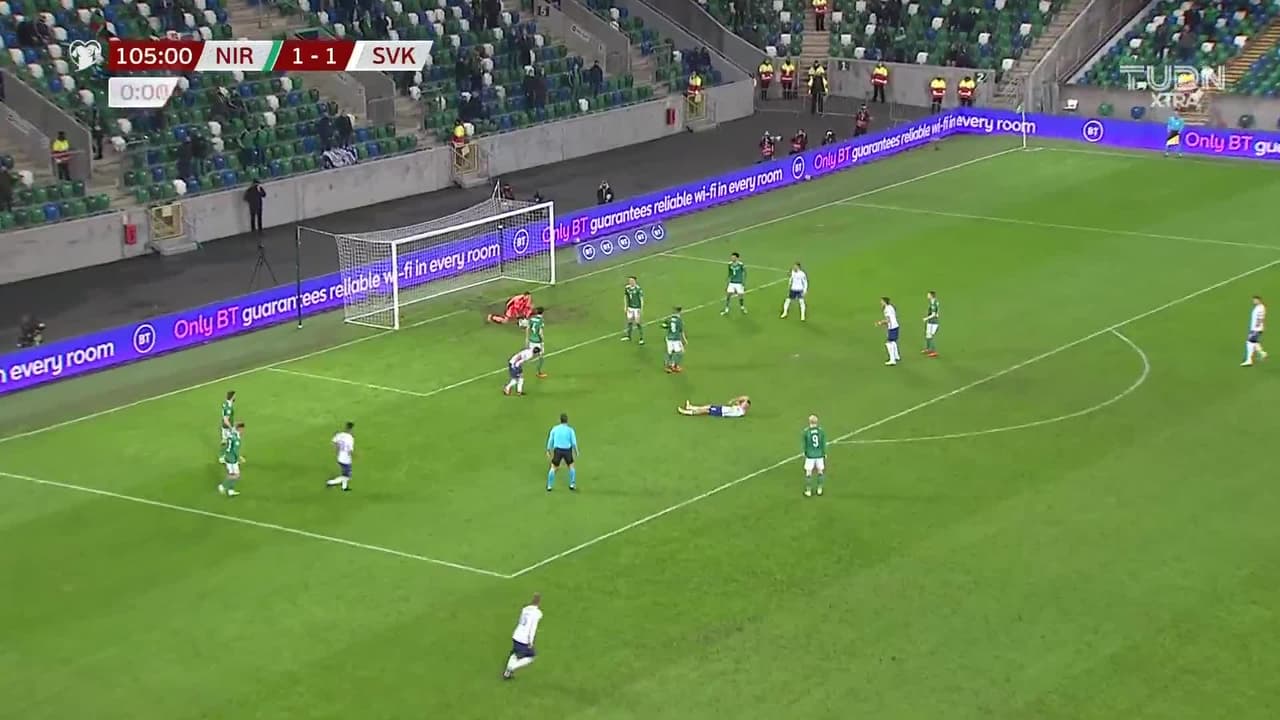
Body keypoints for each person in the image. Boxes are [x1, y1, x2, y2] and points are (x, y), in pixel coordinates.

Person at [502, 593, 543, 679]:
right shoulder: (537, 613)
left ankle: (507, 674)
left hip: (516, 635)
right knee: (531, 656)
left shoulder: (525, 609)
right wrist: (530, 642)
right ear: (539, 602)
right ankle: (511, 668)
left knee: (515, 653)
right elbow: (532, 628)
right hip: (523, 639)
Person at [545, 413, 578, 491]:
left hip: (558, 450)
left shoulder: (555, 429)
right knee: (571, 466)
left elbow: (550, 440)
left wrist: (548, 449)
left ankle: (549, 485)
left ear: (560, 420)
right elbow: (574, 442)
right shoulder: (570, 430)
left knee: (553, 467)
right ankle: (572, 484)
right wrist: (576, 451)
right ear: (567, 421)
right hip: (567, 450)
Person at [218, 422, 246, 497]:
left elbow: (227, 445)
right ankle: (222, 486)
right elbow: (235, 450)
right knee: (237, 476)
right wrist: (240, 458)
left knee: (232, 474)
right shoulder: (236, 438)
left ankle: (231, 490)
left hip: (227, 456)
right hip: (232, 459)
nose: (243, 431)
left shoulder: (232, 434)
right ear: (240, 429)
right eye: (242, 429)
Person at [802, 414, 827, 497]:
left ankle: (808, 491)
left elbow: (804, 444)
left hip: (810, 455)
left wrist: (805, 452)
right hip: (819, 455)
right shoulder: (821, 431)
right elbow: (823, 443)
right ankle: (819, 489)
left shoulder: (806, 432)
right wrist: (824, 453)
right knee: (820, 471)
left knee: (808, 473)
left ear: (809, 422)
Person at [326, 421, 355, 491]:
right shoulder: (350, 438)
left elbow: (333, 441)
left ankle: (344, 487)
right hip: (346, 460)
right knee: (347, 477)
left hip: (340, 458)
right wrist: (355, 456)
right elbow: (350, 451)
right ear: (351, 429)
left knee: (344, 473)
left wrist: (337, 449)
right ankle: (330, 482)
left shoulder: (340, 434)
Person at [1242, 295, 1268, 367]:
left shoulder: (1259, 308)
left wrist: (1255, 328)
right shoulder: (1261, 307)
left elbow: (1259, 319)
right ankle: (1262, 353)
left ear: (1259, 300)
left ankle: (1249, 360)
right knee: (1255, 342)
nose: (1253, 301)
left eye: (1255, 300)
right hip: (1257, 328)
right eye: (1253, 300)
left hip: (1256, 329)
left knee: (1249, 342)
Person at [876, 296, 901, 366]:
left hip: (892, 327)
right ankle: (896, 356)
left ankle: (892, 360)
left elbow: (888, 320)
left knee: (889, 343)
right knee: (893, 342)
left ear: (884, 302)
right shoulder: (891, 306)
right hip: (896, 326)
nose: (880, 302)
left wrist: (880, 323)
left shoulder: (886, 309)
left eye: (881, 301)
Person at [662, 306, 687, 373]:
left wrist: (668, 327)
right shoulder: (679, 320)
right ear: (679, 312)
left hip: (669, 338)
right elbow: (681, 331)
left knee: (669, 352)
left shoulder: (669, 319)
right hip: (676, 339)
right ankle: (675, 366)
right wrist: (684, 339)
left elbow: (663, 325)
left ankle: (668, 366)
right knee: (680, 352)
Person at [622, 275, 645, 344]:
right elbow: (625, 297)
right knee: (629, 322)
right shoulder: (627, 288)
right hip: (630, 308)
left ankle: (641, 338)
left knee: (637, 323)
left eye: (632, 280)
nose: (630, 282)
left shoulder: (638, 289)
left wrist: (641, 309)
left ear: (635, 281)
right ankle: (629, 336)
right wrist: (625, 306)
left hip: (637, 308)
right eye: (629, 280)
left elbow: (641, 299)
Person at [677, 395, 750, 417]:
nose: (743, 403)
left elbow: (746, 398)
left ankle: (687, 412)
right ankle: (690, 407)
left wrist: (734, 401)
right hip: (722, 408)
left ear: (747, 406)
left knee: (706, 411)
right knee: (709, 406)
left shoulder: (742, 412)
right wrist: (733, 400)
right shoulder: (739, 407)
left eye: (745, 403)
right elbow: (745, 397)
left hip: (721, 413)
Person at [526, 306, 547, 378]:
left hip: (531, 340)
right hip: (538, 341)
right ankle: (539, 372)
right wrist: (542, 340)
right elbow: (540, 332)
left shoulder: (532, 319)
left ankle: (519, 361)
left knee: (531, 354)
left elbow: (527, 328)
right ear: (543, 313)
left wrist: (527, 338)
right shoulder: (541, 320)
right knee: (541, 356)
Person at [922, 290, 940, 357]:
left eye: (928, 295)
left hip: (934, 322)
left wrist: (926, 318)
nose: (927, 296)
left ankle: (934, 351)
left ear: (931, 296)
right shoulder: (934, 301)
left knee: (930, 336)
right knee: (927, 335)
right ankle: (928, 349)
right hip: (930, 322)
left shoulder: (933, 304)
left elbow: (934, 314)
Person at [220, 389, 236, 459]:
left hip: (224, 427)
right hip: (227, 428)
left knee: (227, 442)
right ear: (232, 397)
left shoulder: (225, 403)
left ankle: (226, 456)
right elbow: (226, 420)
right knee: (231, 442)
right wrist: (231, 428)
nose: (235, 397)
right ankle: (224, 457)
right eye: (234, 396)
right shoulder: (229, 407)